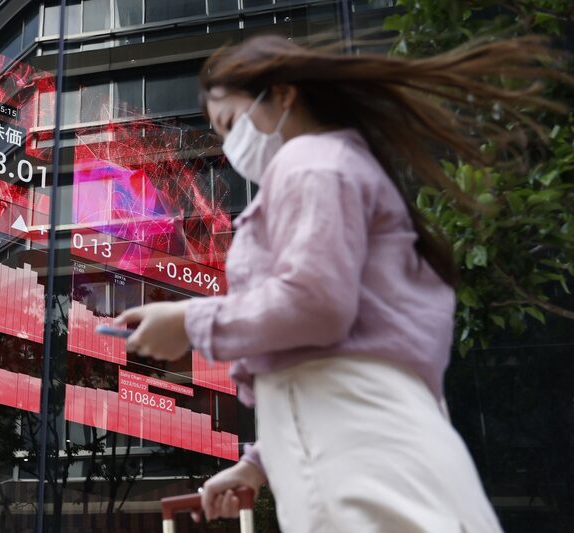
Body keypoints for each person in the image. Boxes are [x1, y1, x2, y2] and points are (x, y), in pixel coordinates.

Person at [113, 33, 570, 532]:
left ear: (282, 93)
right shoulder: (333, 165)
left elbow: (316, 305)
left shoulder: (309, 161)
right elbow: (339, 341)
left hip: (357, 445)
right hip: (370, 437)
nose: (230, 146)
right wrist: (259, 464)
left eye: (230, 123)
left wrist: (189, 321)